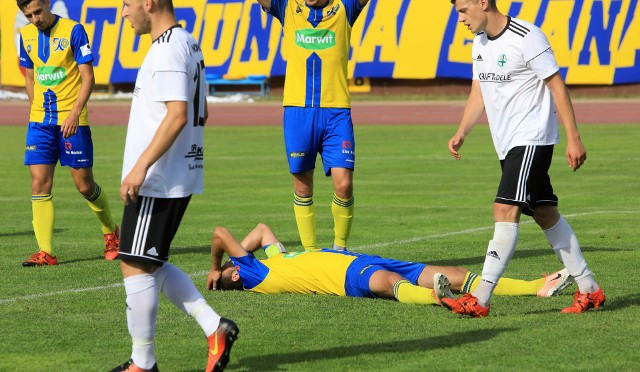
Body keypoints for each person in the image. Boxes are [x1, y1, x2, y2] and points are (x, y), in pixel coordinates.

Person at [443, 0, 605, 317]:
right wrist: (462, 131)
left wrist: (574, 137)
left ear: (482, 3)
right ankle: (590, 290)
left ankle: (480, 298)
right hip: (508, 145)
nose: (460, 18)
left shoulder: (527, 35)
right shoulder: (479, 42)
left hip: (532, 139)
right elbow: (479, 89)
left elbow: (557, 86)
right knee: (546, 214)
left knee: (504, 207)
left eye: (463, 10)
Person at [113, 1, 238, 371]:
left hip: (159, 178)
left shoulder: (167, 46)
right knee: (149, 262)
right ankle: (215, 327)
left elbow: (178, 114)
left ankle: (143, 363)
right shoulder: (187, 41)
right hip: (175, 172)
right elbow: (203, 110)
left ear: (148, 3)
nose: (123, 12)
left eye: (127, 3)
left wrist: (140, 166)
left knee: (134, 265)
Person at [206, 223, 574, 306]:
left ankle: (534, 287)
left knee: (453, 274)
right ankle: (442, 300)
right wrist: (213, 269)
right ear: (237, 271)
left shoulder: (274, 260)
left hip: (359, 258)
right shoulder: (253, 274)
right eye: (233, 267)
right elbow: (221, 233)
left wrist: (224, 269)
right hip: (347, 275)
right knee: (385, 281)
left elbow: (261, 230)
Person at [255, 0, 370, 251]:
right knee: (303, 184)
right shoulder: (286, 6)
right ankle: (310, 252)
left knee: (344, 184)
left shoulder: (345, 7)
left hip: (336, 110)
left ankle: (340, 248)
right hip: (298, 110)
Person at [17, 0, 120, 267]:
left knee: (84, 186)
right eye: (28, 15)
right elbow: (30, 77)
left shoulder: (74, 30)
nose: (35, 19)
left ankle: (111, 232)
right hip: (40, 122)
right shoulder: (25, 36)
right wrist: (33, 111)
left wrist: (74, 113)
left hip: (72, 120)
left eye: (38, 12)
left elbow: (88, 77)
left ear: (47, 4)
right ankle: (46, 252)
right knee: (39, 183)